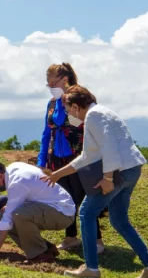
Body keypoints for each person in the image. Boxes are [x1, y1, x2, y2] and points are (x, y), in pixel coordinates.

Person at [42, 85, 148, 278]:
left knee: (86, 213)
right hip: (131, 169)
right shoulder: (103, 112)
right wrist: (57, 174)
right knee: (119, 220)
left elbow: (108, 148)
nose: (68, 115)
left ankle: (91, 268)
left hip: (119, 171)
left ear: (74, 106)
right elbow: (87, 156)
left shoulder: (93, 116)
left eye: (67, 109)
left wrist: (107, 179)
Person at [38, 63, 105, 253]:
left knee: (85, 196)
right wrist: (41, 161)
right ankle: (71, 237)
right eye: (48, 84)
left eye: (53, 83)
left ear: (64, 79)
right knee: (65, 198)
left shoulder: (79, 97)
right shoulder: (52, 103)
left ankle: (97, 240)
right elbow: (46, 132)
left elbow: (91, 124)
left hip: (79, 156)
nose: (51, 87)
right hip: (56, 158)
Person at [0, 161, 76, 263]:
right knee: (0, 217)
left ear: (0, 176)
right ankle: (46, 248)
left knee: (19, 214)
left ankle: (39, 256)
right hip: (50, 205)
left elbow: (7, 221)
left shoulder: (17, 182)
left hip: (62, 212)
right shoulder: (13, 167)